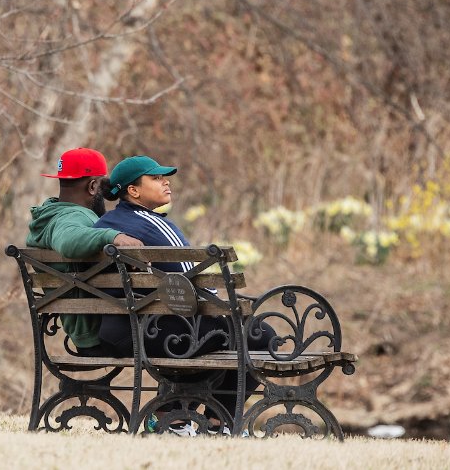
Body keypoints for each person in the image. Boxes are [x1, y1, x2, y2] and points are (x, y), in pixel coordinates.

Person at [92, 155, 277, 435]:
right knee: (259, 334)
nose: (166, 182)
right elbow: (195, 281)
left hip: (118, 333)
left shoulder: (105, 224)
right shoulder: (154, 224)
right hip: (156, 333)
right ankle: (218, 422)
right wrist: (222, 308)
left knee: (218, 333)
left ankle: (174, 417)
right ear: (133, 190)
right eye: (156, 178)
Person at [24, 147, 142, 357]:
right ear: (93, 186)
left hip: (90, 331)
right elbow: (68, 241)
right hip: (105, 334)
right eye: (102, 185)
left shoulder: (52, 215)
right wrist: (112, 236)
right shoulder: (73, 217)